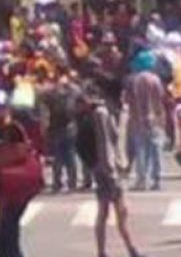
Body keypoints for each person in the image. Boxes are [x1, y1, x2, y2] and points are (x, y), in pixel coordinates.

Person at [74, 87, 146, 257]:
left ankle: (111, 250)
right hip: (107, 169)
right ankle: (128, 249)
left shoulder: (88, 116)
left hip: (101, 168)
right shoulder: (100, 114)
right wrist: (112, 169)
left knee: (108, 212)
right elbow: (105, 142)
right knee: (117, 211)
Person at [0, 91, 38, 257]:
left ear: (6, 108)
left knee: (3, 241)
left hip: (15, 191)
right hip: (1, 190)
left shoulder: (12, 129)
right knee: (7, 239)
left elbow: (18, 154)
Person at [125, 49, 165, 191]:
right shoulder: (155, 79)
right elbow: (160, 99)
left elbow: (128, 100)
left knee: (140, 150)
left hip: (137, 118)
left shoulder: (133, 80)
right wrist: (161, 117)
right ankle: (157, 179)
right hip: (154, 117)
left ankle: (141, 180)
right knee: (156, 149)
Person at [40, 68, 81, 193]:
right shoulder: (74, 89)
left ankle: (57, 183)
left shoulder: (51, 91)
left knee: (57, 156)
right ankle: (72, 183)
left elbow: (42, 99)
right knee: (71, 155)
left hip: (56, 127)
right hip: (71, 126)